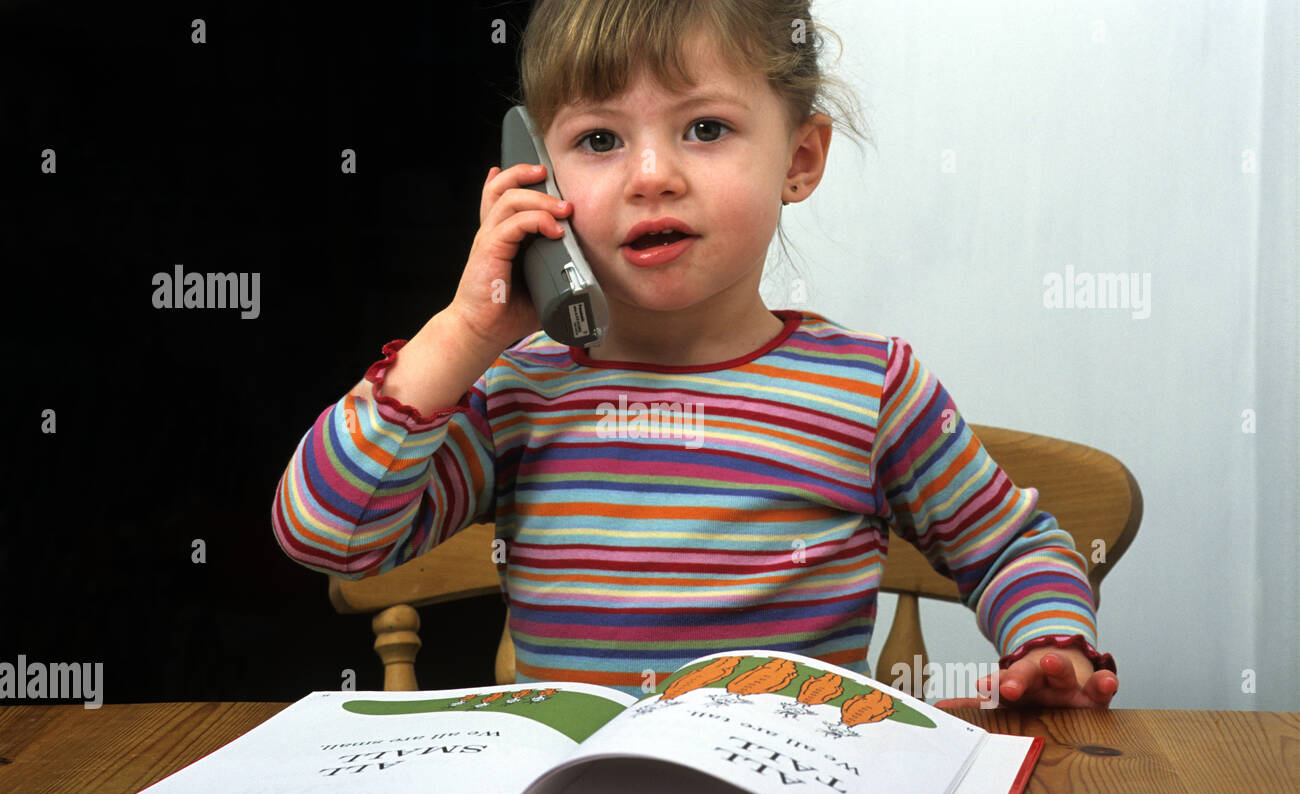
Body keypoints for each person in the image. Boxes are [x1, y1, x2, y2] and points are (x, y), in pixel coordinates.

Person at [272, 0, 1117, 708]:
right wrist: (466, 329)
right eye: (599, 141)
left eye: (705, 128)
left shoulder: (872, 390)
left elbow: (1015, 547)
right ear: (537, 177)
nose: (651, 175)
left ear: (800, 157)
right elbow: (329, 534)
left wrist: (1048, 644)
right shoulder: (516, 391)